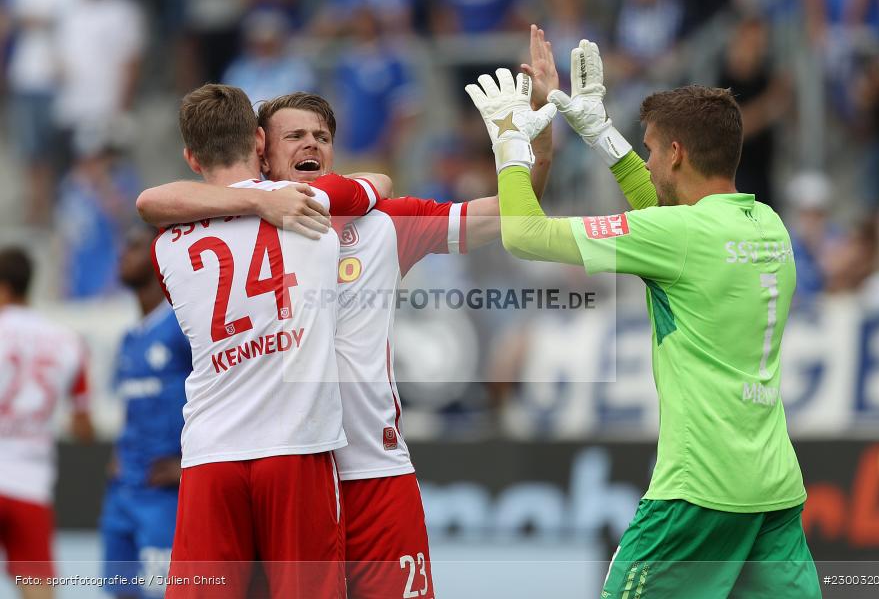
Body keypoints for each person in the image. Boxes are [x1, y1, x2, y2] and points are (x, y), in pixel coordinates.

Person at [137, 84, 554, 598]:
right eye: (295, 136)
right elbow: (156, 201)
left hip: (370, 470)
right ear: (261, 148)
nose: (311, 144)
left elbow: (513, 213)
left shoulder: (382, 224)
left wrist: (536, 146)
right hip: (292, 466)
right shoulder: (234, 217)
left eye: (322, 136)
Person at [465, 29, 820, 598]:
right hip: (773, 488)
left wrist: (509, 143)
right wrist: (599, 133)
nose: (647, 162)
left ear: (676, 153)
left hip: (697, 492)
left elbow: (524, 235)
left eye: (651, 150)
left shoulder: (680, 235)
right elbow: (668, 218)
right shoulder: (768, 224)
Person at [152, 84, 382, 599]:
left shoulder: (164, 245)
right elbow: (376, 183)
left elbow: (150, 202)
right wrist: (263, 198)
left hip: (210, 453)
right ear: (260, 141)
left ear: (191, 158)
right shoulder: (310, 203)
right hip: (296, 447)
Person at [100, 225, 193, 599]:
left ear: (160, 261)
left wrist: (188, 466)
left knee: (162, 592)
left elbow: (223, 393)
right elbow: (135, 404)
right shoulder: (130, 338)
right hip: (123, 492)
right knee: (121, 592)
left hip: (164, 494)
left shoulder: (181, 328)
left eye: (135, 247)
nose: (123, 254)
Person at [0, 247, 94, 599]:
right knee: (38, 588)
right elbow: (83, 426)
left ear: (4, 288)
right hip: (31, 482)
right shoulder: (68, 340)